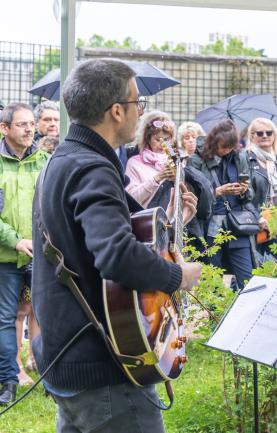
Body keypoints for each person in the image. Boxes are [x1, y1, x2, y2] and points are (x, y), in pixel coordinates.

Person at [32, 59, 201, 431]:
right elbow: (116, 256)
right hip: (104, 372)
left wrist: (176, 224)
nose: (141, 113)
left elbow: (101, 238)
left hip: (67, 361)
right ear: (116, 111)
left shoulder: (60, 161)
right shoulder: (93, 167)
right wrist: (178, 275)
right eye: (138, 104)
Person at [0, 102, 49, 404]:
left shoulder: (45, 162)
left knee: (47, 315)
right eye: (22, 124)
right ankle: (8, 380)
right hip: (5, 257)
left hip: (42, 255)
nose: (30, 129)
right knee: (5, 319)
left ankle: (50, 378)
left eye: (32, 123)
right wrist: (16, 240)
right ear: (4, 128)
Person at [189, 120, 258, 290]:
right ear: (213, 142)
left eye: (230, 147)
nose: (226, 150)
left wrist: (243, 190)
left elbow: (251, 195)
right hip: (210, 227)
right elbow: (192, 197)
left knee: (247, 281)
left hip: (237, 224)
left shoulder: (239, 157)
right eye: (223, 147)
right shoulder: (196, 160)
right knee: (213, 284)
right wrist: (217, 191)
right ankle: (216, 316)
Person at [245, 117, 277, 260]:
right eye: (259, 133)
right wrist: (258, 218)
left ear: (274, 136)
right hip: (257, 221)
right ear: (252, 136)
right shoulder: (246, 159)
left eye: (269, 133)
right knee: (255, 267)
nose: (265, 136)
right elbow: (243, 195)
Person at [124, 111, 177, 207]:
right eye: (158, 139)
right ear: (147, 138)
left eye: (166, 139)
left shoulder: (175, 161)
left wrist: (177, 181)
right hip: (148, 219)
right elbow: (131, 199)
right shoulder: (134, 163)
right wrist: (157, 178)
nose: (163, 144)